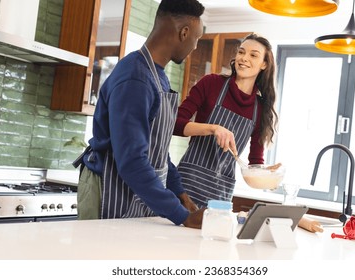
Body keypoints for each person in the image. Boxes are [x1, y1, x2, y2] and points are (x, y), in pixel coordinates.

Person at [74, 0, 205, 229]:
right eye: (197, 38)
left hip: (130, 190)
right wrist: (182, 216)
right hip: (108, 189)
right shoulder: (136, 79)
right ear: (184, 33)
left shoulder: (157, 75)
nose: (195, 46)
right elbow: (132, 161)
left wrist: (180, 193)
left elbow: (158, 149)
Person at [173, 33, 280, 208]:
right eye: (241, 52)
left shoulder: (260, 109)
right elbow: (175, 124)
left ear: (264, 64)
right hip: (185, 187)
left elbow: (254, 163)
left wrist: (267, 176)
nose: (244, 58)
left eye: (253, 55)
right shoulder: (211, 84)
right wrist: (213, 128)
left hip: (219, 197)